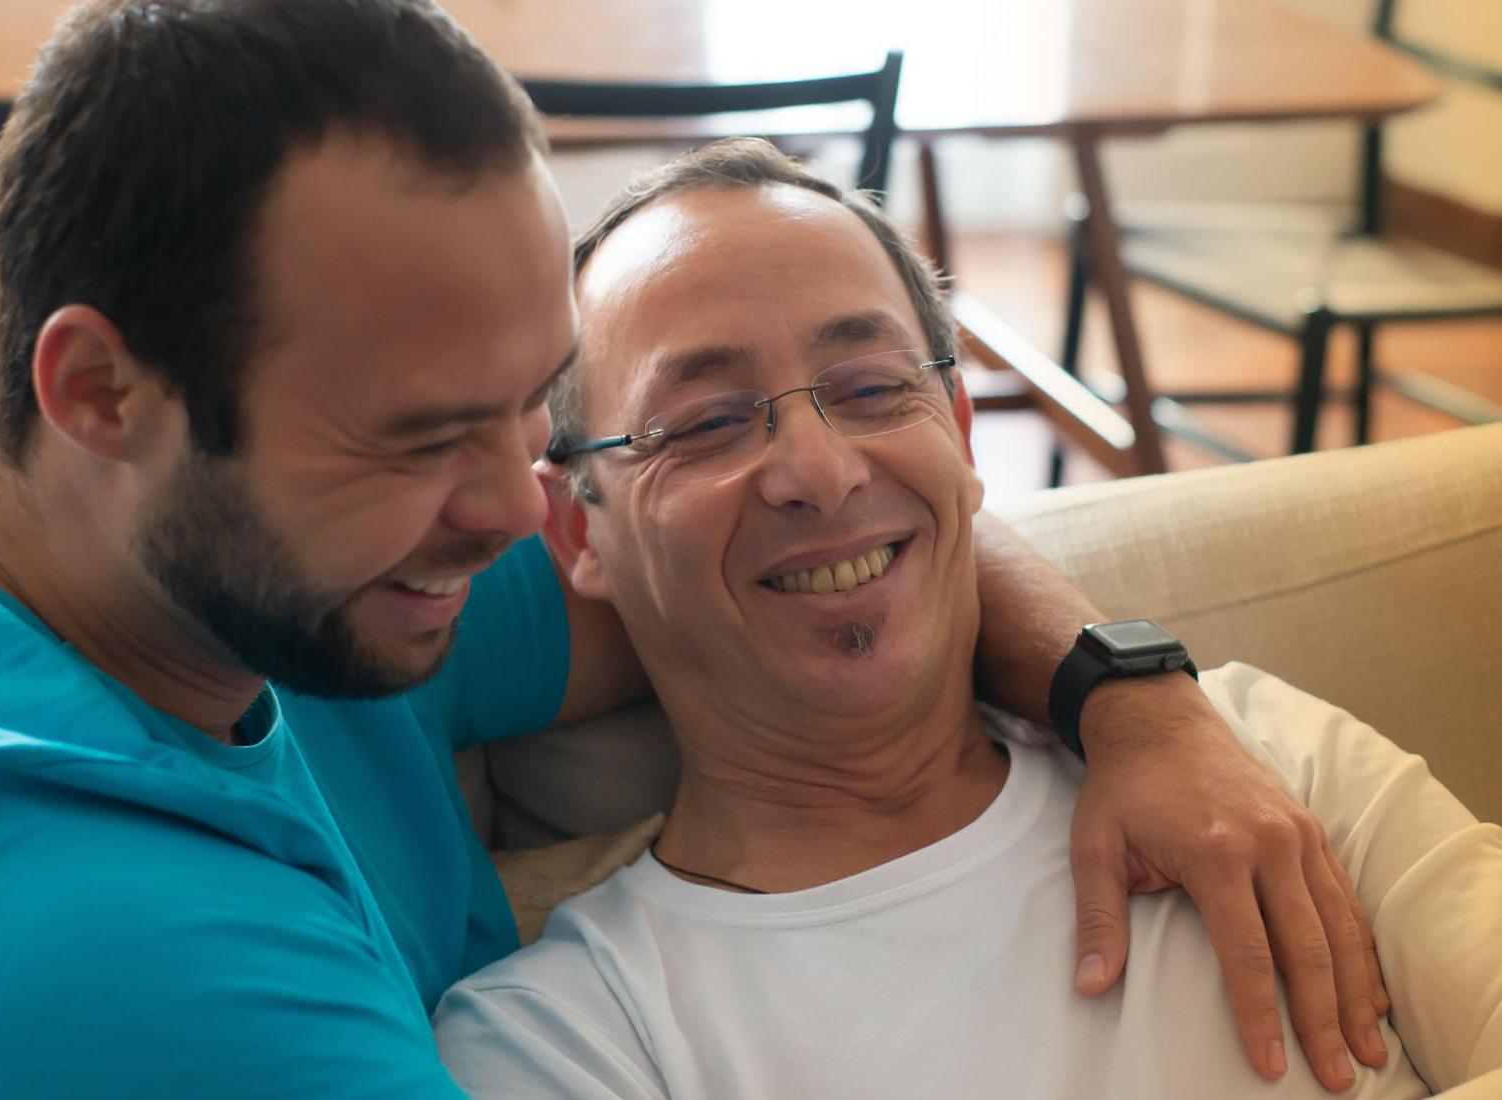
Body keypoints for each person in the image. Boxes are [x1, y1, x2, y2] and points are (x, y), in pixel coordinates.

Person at [0, 1, 1393, 1096]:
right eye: (427, 433)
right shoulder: (98, 964)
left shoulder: (255, 577)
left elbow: (820, 555)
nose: (511, 508)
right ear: (101, 393)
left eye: (523, 410)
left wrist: (1132, 695)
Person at [430, 138, 1502, 1098]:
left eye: (867, 387)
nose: (818, 469)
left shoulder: (1249, 757)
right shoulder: (570, 1037)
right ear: (579, 537)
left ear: (957, 433)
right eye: (705, 422)